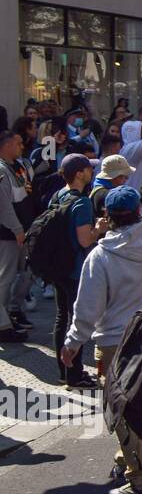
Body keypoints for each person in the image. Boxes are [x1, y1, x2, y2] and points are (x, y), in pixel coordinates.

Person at [61, 169, 142, 494]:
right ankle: (136, 460)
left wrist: (73, 343)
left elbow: (87, 308)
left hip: (116, 341)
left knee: (123, 409)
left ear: (107, 217)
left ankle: (141, 479)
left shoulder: (100, 257)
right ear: (139, 211)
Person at [48, 155, 102, 387]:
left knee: (61, 319)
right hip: (75, 270)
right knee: (75, 322)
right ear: (79, 174)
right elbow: (84, 240)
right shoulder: (82, 202)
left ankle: (64, 372)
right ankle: (75, 374)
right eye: (89, 169)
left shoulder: (58, 194)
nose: (92, 172)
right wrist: (99, 229)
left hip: (57, 266)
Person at [0, 131, 30, 342]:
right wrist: (18, 230)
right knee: (5, 278)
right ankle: (2, 325)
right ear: (7, 145)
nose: (22, 147)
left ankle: (12, 312)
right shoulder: (2, 171)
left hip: (20, 232)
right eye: (18, 143)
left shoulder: (17, 167)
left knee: (26, 273)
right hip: (7, 234)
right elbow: (4, 207)